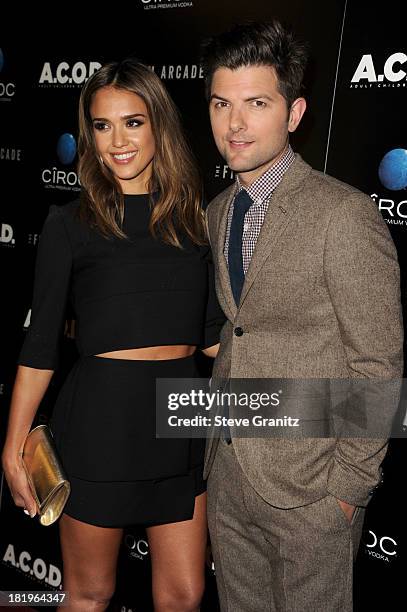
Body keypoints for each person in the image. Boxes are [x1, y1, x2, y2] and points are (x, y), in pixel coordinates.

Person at [2, 58, 225, 612]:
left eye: (133, 121)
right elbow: (40, 347)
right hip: (100, 423)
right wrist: (12, 447)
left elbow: (216, 338)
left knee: (184, 594)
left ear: (158, 126)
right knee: (90, 594)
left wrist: (311, 400)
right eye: (102, 126)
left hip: (181, 418)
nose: (118, 140)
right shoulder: (70, 223)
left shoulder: (195, 220)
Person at [200, 20, 403, 611]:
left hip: (313, 487)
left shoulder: (344, 215)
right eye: (221, 104)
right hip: (230, 469)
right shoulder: (216, 212)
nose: (235, 124)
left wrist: (347, 487)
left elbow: (378, 364)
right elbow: (242, 331)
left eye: (256, 104)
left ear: (293, 114)